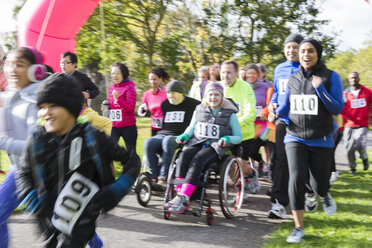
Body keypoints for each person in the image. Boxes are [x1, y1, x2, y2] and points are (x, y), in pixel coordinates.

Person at [16, 73, 140, 247]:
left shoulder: (93, 138)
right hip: (48, 223)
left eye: (53, 106)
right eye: (42, 106)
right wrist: (33, 200)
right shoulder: (38, 139)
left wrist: (116, 190)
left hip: (81, 225)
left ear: (70, 107)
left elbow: (132, 162)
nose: (45, 113)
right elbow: (23, 172)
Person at [275, 38, 344, 243]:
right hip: (294, 136)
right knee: (295, 178)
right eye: (303, 51)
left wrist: (320, 89)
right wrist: (273, 113)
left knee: (319, 183)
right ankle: (298, 227)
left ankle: (323, 194)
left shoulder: (331, 77)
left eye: (310, 51)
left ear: (318, 54)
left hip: (321, 139)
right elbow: (285, 107)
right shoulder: (293, 79)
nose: (306, 54)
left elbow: (337, 108)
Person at [165, 82, 242, 213]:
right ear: (206, 96)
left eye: (217, 94)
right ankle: (180, 195)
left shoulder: (230, 114)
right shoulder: (199, 109)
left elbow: (238, 136)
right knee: (183, 156)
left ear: (222, 96)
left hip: (216, 146)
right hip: (197, 142)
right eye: (210, 94)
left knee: (198, 159)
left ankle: (184, 196)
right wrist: (185, 135)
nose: (213, 97)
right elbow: (192, 127)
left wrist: (227, 139)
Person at [0, 47, 47, 248]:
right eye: (9, 64)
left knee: (58, 223)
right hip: (19, 169)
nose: (12, 69)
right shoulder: (9, 95)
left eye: (19, 65)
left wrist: (3, 142)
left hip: (44, 174)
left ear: (35, 70)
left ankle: (94, 243)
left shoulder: (36, 101)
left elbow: (33, 145)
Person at [267, 33, 305, 219]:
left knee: (300, 162)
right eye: (288, 47)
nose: (291, 50)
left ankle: (311, 192)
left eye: (295, 47)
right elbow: (276, 92)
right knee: (281, 159)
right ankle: (278, 203)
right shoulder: (279, 68)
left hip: (304, 122)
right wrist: (272, 105)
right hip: (283, 120)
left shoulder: (307, 68)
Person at [144, 80, 200, 186]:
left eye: (173, 93)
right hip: (163, 133)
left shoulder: (194, 104)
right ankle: (153, 176)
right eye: (168, 93)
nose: (170, 96)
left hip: (180, 135)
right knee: (148, 142)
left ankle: (163, 177)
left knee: (167, 141)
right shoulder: (165, 104)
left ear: (181, 93)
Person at [220, 60, 259, 196]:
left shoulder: (246, 87)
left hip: (244, 135)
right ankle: (240, 187)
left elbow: (250, 113)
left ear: (235, 74)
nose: (225, 75)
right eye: (223, 72)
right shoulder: (217, 88)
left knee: (240, 165)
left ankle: (251, 173)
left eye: (229, 72)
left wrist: (234, 124)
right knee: (229, 165)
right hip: (225, 135)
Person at [341, 72, 372, 174]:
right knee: (348, 148)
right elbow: (340, 108)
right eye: (351, 78)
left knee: (359, 143)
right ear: (348, 80)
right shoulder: (344, 94)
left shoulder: (367, 92)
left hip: (362, 124)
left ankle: (364, 158)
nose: (353, 79)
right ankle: (353, 168)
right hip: (349, 124)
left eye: (355, 78)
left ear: (358, 79)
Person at [244, 63, 269, 176]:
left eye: (254, 73)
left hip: (262, 122)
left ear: (258, 75)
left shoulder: (265, 87)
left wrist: (266, 111)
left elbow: (270, 101)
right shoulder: (243, 87)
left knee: (256, 146)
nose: (251, 76)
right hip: (249, 122)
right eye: (249, 73)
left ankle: (263, 166)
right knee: (250, 149)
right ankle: (259, 162)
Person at [108, 62, 137, 155]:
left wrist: (118, 99)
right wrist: (107, 107)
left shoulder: (129, 87)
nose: (115, 76)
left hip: (128, 127)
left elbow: (130, 108)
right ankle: (110, 169)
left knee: (131, 153)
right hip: (114, 127)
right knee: (109, 151)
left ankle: (133, 169)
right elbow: (113, 106)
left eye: (118, 73)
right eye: (113, 73)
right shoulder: (111, 87)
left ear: (123, 74)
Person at [138, 68, 169, 136]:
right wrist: (142, 110)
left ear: (160, 79)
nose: (152, 82)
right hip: (154, 127)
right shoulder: (147, 94)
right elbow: (142, 110)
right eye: (150, 79)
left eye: (154, 79)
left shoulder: (167, 91)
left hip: (167, 126)